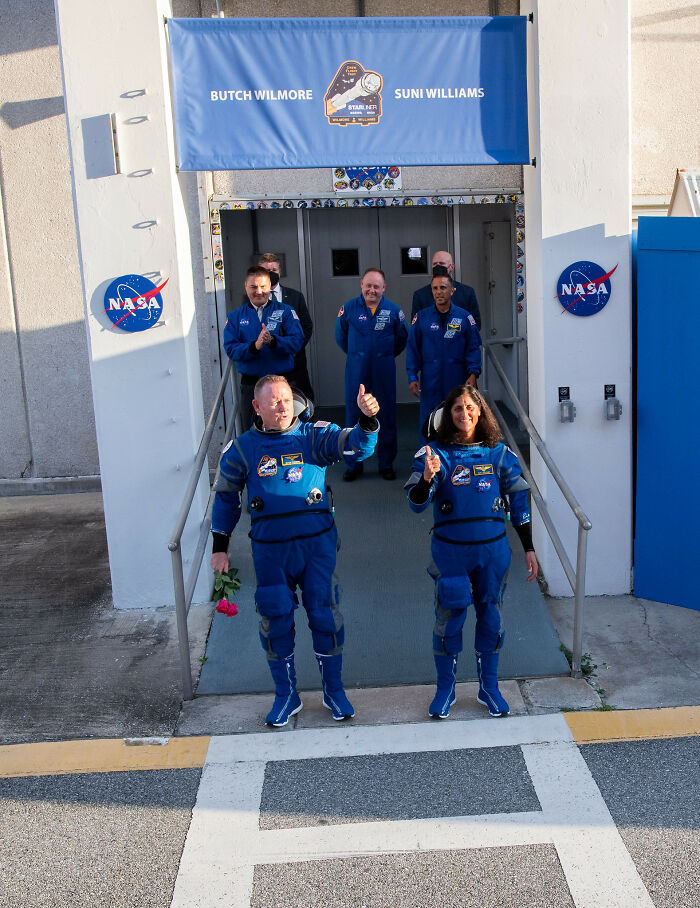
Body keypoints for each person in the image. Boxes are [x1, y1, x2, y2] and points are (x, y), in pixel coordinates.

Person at [210, 374, 380, 727]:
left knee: (324, 613)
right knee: (274, 617)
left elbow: (356, 447)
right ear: (256, 407)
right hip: (270, 550)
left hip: (316, 546)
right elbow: (226, 498)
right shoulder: (242, 449)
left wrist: (367, 421)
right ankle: (286, 695)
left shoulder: (313, 435)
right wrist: (220, 548)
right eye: (273, 401)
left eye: (287, 399)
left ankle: (334, 691)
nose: (283, 406)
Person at [405, 384, 538, 719]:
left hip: (493, 553)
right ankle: (445, 690)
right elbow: (417, 504)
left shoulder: (499, 454)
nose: (464, 414)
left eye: (469, 408)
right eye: (456, 409)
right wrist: (426, 479)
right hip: (451, 554)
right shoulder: (434, 455)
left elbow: (519, 505)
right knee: (449, 619)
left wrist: (529, 548)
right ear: (447, 416)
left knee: (491, 619)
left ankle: (488, 687)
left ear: (480, 413)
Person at [335, 267, 408, 481]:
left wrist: (383, 356)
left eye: (376, 286)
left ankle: (386, 464)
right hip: (357, 372)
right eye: (368, 285)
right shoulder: (348, 309)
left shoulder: (394, 311)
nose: (372, 290)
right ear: (361, 285)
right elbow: (340, 337)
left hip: (383, 371)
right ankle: (353, 465)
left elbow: (402, 339)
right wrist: (358, 355)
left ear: (384, 288)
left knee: (386, 416)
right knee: (353, 417)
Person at [224, 266, 304, 429]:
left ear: (270, 287)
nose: (258, 291)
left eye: (263, 287)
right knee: (252, 431)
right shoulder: (234, 317)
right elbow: (231, 349)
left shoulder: (286, 311)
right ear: (246, 286)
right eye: (253, 287)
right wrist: (255, 346)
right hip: (252, 386)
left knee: (288, 429)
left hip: (284, 383)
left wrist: (274, 341)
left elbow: (297, 341)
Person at [406, 272, 482, 437]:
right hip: (430, 379)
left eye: (443, 288)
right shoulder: (421, 318)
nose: (439, 292)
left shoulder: (464, 318)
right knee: (429, 422)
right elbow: (412, 348)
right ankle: (426, 459)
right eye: (435, 288)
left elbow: (474, 347)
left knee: (458, 420)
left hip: (457, 378)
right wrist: (412, 376)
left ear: (452, 290)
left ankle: (456, 459)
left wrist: (473, 373)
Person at [257, 253, 315, 401]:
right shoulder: (254, 299)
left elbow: (307, 326)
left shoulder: (295, 296)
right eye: (266, 270)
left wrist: (295, 350)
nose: (271, 273)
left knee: (301, 402)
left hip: (295, 362)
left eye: (274, 270)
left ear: (280, 272)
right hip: (268, 364)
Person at [411, 250, 481, 329]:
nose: (437, 267)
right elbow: (415, 327)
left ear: (452, 267)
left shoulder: (467, 293)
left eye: (441, 263)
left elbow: (475, 324)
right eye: (435, 264)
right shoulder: (420, 295)